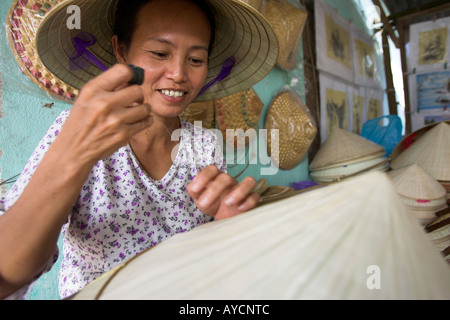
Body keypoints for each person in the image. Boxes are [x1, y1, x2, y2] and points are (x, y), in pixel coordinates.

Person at [0, 0, 278, 299]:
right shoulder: (81, 130)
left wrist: (228, 222)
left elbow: (211, 255)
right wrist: (72, 158)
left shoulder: (205, 145)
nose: (178, 74)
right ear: (121, 50)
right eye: (160, 53)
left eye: (196, 59)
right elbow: (6, 275)